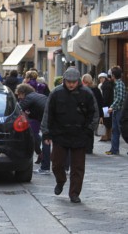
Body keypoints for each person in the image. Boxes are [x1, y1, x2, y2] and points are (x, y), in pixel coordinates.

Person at [41, 67, 99, 203]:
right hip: (60, 134)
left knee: (78, 167)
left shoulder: (87, 93)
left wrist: (89, 131)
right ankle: (60, 180)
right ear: (64, 81)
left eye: (73, 82)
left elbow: (94, 114)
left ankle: (74, 193)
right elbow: (48, 114)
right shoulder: (56, 93)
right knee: (56, 163)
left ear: (78, 81)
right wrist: (46, 133)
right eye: (69, 82)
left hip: (79, 134)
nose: (71, 84)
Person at [15, 83, 49, 174]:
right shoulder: (37, 95)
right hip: (50, 118)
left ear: (23, 92)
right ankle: (65, 167)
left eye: (19, 94)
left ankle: (45, 168)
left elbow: (17, 109)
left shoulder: (29, 98)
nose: (18, 97)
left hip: (48, 120)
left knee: (46, 141)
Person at [105, 66, 126, 155]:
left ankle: (114, 149)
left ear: (113, 75)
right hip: (116, 110)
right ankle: (114, 149)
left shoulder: (119, 84)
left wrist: (112, 107)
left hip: (119, 110)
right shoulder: (118, 83)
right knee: (115, 130)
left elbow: (120, 98)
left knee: (122, 130)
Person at [81, 73, 104, 154]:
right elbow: (101, 102)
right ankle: (90, 148)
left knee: (86, 131)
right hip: (95, 114)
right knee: (90, 131)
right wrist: (101, 115)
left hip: (88, 113)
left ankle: (86, 147)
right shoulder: (96, 89)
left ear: (85, 81)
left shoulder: (84, 90)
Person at [99, 72, 114, 141]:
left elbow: (105, 98)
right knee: (108, 121)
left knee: (105, 121)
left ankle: (105, 137)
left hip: (106, 107)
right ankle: (108, 136)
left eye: (101, 78)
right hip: (108, 106)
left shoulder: (106, 86)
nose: (100, 80)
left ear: (104, 78)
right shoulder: (107, 85)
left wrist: (102, 105)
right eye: (100, 78)